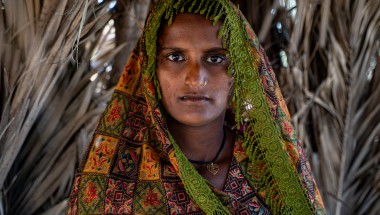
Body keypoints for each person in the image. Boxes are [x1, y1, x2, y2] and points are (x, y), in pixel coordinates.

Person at [67, 0, 325, 214]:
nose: (195, 78)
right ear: (151, 72)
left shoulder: (272, 167)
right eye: (175, 57)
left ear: (238, 72)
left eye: (215, 58)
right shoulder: (113, 183)